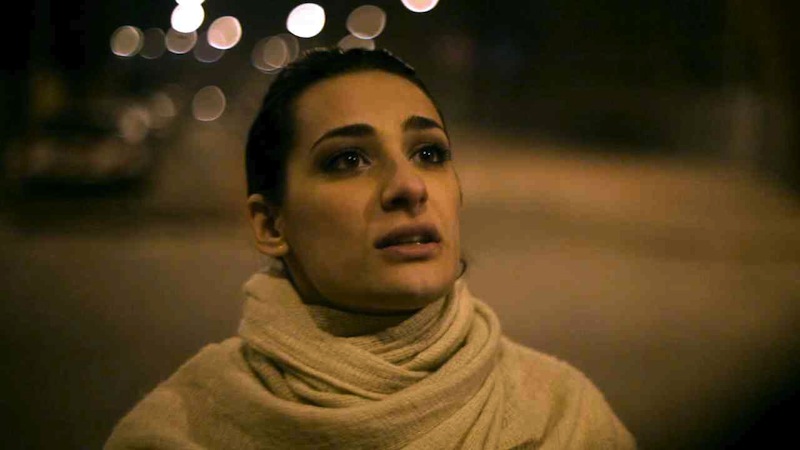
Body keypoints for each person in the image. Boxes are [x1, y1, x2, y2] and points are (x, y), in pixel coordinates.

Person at [105, 47, 636, 449]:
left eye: (429, 153)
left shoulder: (565, 420)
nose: (409, 187)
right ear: (270, 224)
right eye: (348, 160)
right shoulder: (183, 429)